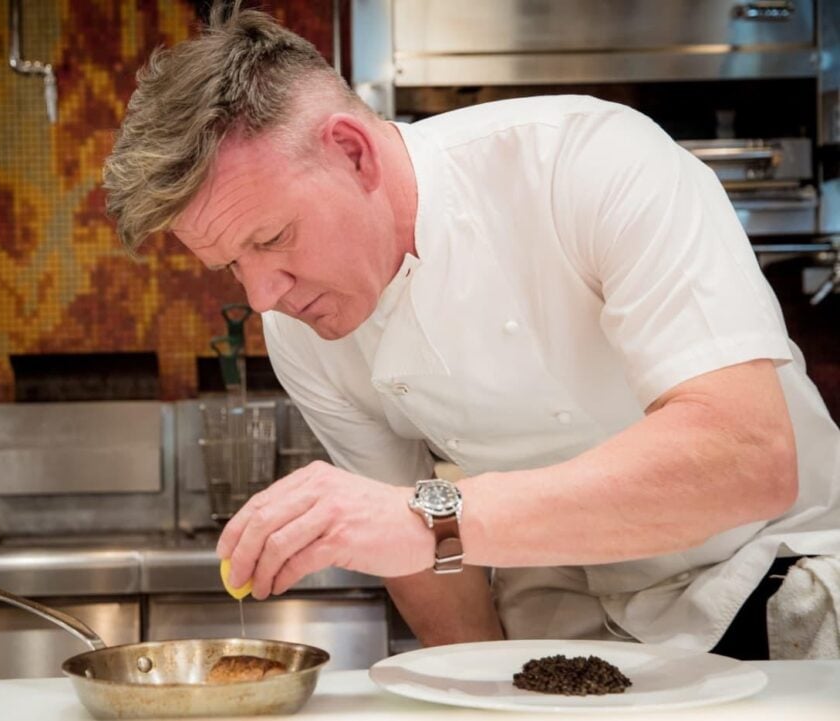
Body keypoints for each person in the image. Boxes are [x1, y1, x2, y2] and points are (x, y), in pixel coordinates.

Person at [103, 6, 840, 659]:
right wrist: (483, 681)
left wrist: (430, 517)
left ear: (353, 153)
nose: (263, 293)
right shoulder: (299, 329)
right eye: (231, 263)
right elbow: (417, 558)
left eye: (272, 237)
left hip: (773, 573)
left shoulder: (585, 162)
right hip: (574, 614)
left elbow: (746, 455)